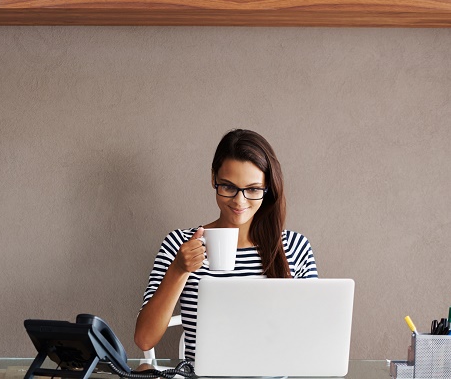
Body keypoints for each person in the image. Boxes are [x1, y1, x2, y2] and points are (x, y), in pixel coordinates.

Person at [134, 129, 318, 362]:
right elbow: (144, 339)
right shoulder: (180, 244)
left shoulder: (295, 247)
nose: (239, 201)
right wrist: (179, 270)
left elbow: (313, 337)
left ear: (267, 188)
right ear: (214, 179)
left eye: (252, 189)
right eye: (229, 187)